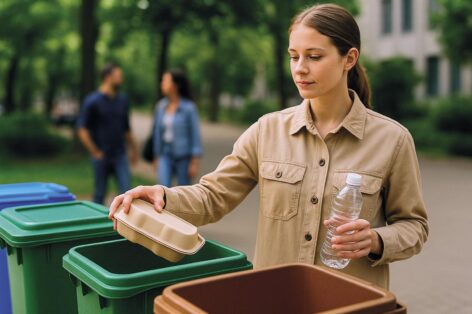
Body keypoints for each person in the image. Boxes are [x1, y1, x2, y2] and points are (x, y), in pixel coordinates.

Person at [109, 4, 428, 289]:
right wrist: (163, 195)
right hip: (276, 298)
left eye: (314, 56)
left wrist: (375, 239)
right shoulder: (267, 130)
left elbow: (414, 227)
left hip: (352, 302)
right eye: (294, 56)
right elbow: (213, 197)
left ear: (349, 58)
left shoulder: (392, 140)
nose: (300, 68)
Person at [77, 63, 138, 204]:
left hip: (120, 155)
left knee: (127, 193)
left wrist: (134, 150)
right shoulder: (92, 101)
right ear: (107, 77)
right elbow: (82, 129)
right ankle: (97, 224)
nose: (121, 79)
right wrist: (95, 151)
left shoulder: (123, 100)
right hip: (101, 156)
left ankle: (124, 225)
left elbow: (126, 128)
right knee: (99, 194)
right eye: (118, 76)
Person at [153, 69, 202, 187]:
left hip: (183, 156)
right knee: (163, 188)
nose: (162, 83)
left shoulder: (189, 108)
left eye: (166, 80)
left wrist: (194, 162)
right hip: (165, 154)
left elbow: (195, 135)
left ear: (175, 85)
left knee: (183, 191)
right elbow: (157, 134)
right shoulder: (161, 106)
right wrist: (156, 156)